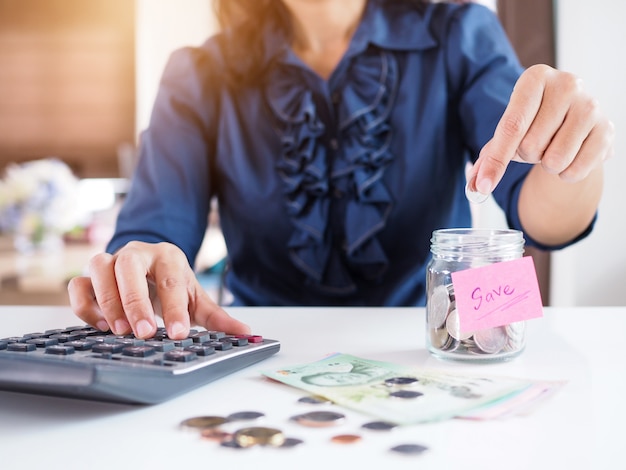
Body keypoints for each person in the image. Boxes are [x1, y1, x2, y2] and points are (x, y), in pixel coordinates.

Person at [68, 0, 613, 340]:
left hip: (437, 343)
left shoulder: (459, 35)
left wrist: (572, 158)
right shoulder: (197, 74)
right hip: (256, 355)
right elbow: (156, 232)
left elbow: (544, 218)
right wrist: (140, 263)